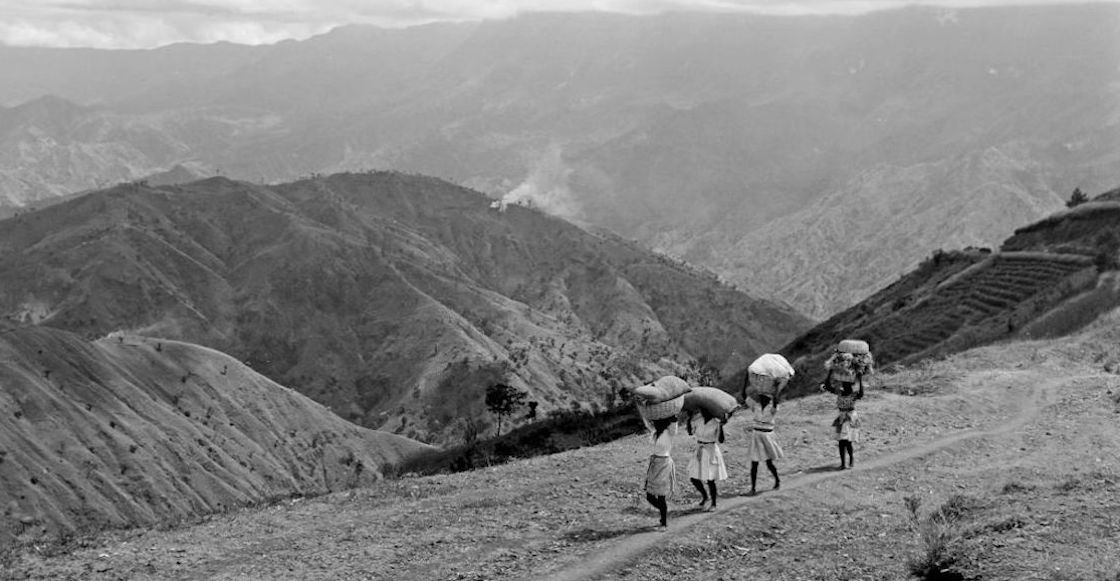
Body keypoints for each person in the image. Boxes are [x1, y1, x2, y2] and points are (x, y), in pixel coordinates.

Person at [820, 369, 864, 469]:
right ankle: (843, 463)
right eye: (844, 384)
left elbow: (861, 393)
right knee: (841, 442)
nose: (844, 385)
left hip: (850, 417)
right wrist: (830, 373)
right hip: (841, 418)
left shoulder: (853, 394)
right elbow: (827, 386)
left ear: (850, 385)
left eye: (846, 384)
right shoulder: (840, 392)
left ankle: (851, 459)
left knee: (847, 441)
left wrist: (860, 379)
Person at [685, 409, 727, 511]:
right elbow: (690, 432)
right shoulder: (698, 421)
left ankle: (714, 503)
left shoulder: (716, 423)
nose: (703, 412)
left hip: (711, 450)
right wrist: (689, 419)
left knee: (710, 479)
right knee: (693, 477)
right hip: (700, 449)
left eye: (705, 410)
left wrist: (721, 426)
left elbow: (721, 440)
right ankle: (705, 496)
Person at [743, 393, 783, 495]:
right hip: (756, 436)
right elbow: (745, 397)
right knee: (754, 463)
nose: (762, 399)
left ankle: (777, 480)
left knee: (769, 462)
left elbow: (776, 402)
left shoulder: (772, 409)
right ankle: (753, 488)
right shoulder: (756, 407)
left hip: (766, 437)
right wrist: (745, 384)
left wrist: (776, 391)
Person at [644, 415, 678, 528]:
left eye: (657, 422)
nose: (654, 423)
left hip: (664, 464)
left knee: (661, 495)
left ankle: (664, 522)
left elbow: (674, 424)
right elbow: (647, 423)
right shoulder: (655, 433)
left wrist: (673, 417)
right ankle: (664, 512)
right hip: (655, 464)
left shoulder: (669, 433)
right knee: (649, 495)